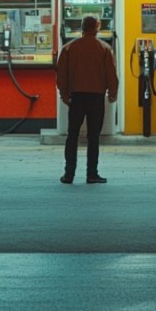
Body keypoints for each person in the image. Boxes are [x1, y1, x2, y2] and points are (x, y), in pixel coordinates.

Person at [56, 15, 119, 184]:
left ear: (81, 27)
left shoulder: (69, 48)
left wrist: (64, 94)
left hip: (76, 97)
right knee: (93, 137)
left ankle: (69, 174)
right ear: (97, 27)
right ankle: (92, 173)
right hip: (96, 98)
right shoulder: (104, 48)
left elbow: (61, 74)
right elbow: (111, 75)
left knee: (72, 136)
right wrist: (113, 94)